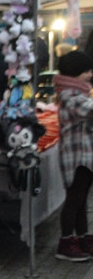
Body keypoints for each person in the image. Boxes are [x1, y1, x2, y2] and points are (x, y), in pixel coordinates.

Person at [53, 50, 93, 261]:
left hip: (85, 155)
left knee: (81, 199)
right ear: (77, 73)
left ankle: (83, 238)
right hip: (76, 156)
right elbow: (89, 109)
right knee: (74, 199)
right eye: (87, 71)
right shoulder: (70, 96)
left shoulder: (75, 94)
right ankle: (66, 242)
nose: (90, 75)